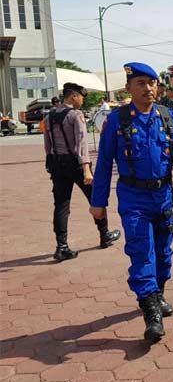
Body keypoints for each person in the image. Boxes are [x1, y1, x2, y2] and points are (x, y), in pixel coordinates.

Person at [90, 62, 173, 343]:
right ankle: (151, 312)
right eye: (141, 83)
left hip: (163, 196)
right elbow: (105, 162)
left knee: (164, 253)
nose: (148, 88)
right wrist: (99, 202)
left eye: (152, 83)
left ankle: (158, 293)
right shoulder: (117, 121)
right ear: (129, 88)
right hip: (134, 198)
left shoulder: (167, 117)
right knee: (142, 252)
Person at [43, 82, 121, 261]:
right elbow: (81, 144)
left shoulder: (50, 115)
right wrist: (86, 169)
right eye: (81, 98)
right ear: (73, 96)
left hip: (56, 163)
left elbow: (47, 144)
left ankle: (61, 246)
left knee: (61, 205)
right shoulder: (75, 115)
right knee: (96, 198)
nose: (82, 102)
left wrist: (50, 161)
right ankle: (104, 234)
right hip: (76, 164)